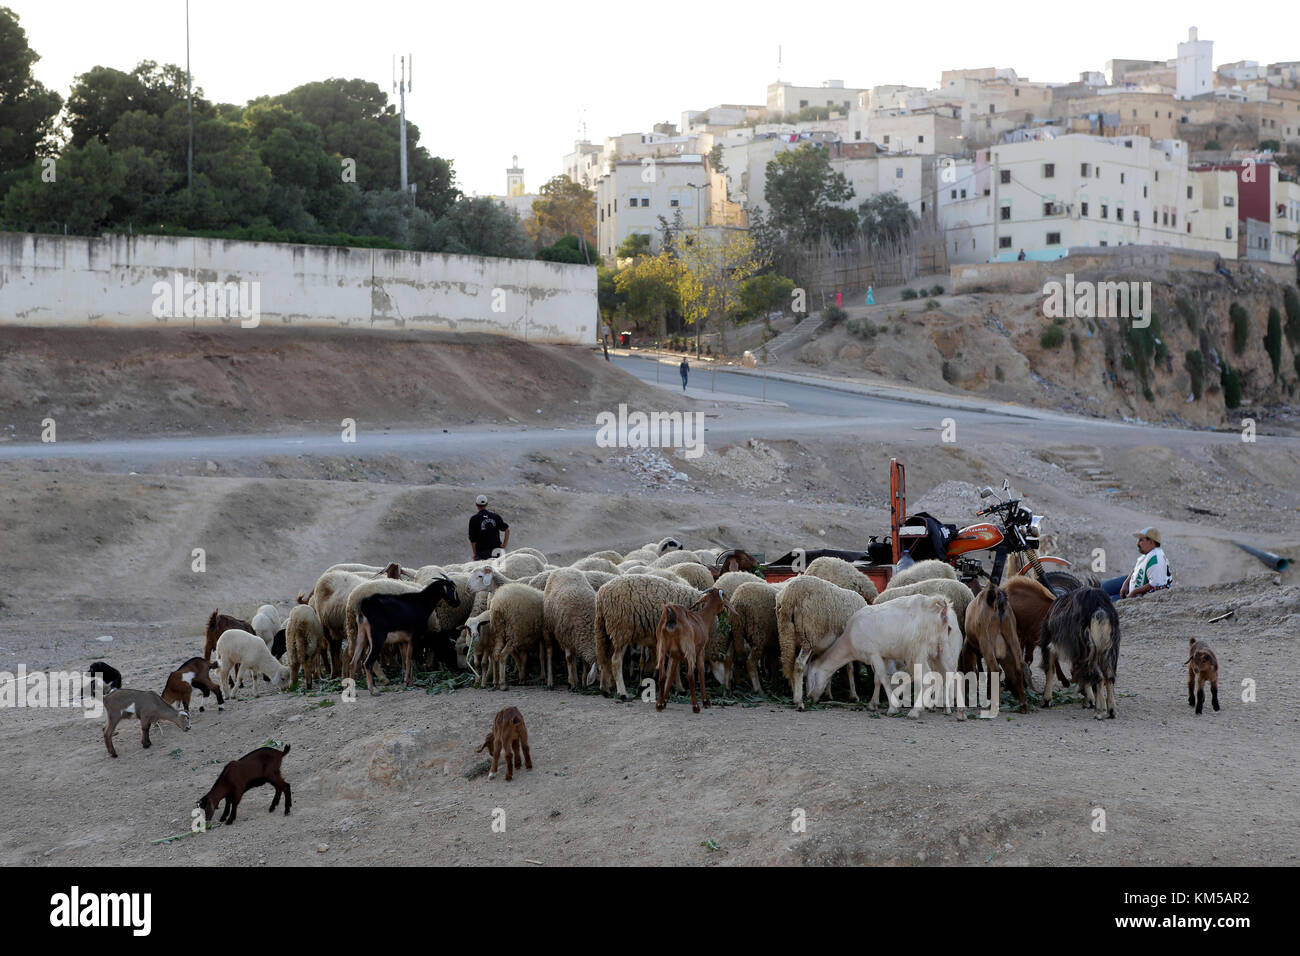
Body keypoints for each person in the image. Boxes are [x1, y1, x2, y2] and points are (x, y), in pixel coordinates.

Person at [1102, 527, 1171, 600]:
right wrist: (1126, 583)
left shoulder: (1157, 559)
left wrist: (1134, 592)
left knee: (1103, 602)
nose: (1138, 543)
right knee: (1101, 587)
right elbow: (1137, 568)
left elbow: (1155, 584)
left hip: (1138, 593)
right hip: (1132, 582)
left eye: (1141, 540)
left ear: (1151, 542)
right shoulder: (1149, 553)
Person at [468, 494, 510, 561]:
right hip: (497, 551)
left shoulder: (474, 519)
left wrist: (475, 555)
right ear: (487, 504)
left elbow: (473, 540)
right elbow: (507, 530)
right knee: (498, 570)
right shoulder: (495, 516)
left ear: (476, 504)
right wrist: (504, 544)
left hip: (482, 553)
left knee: (483, 571)